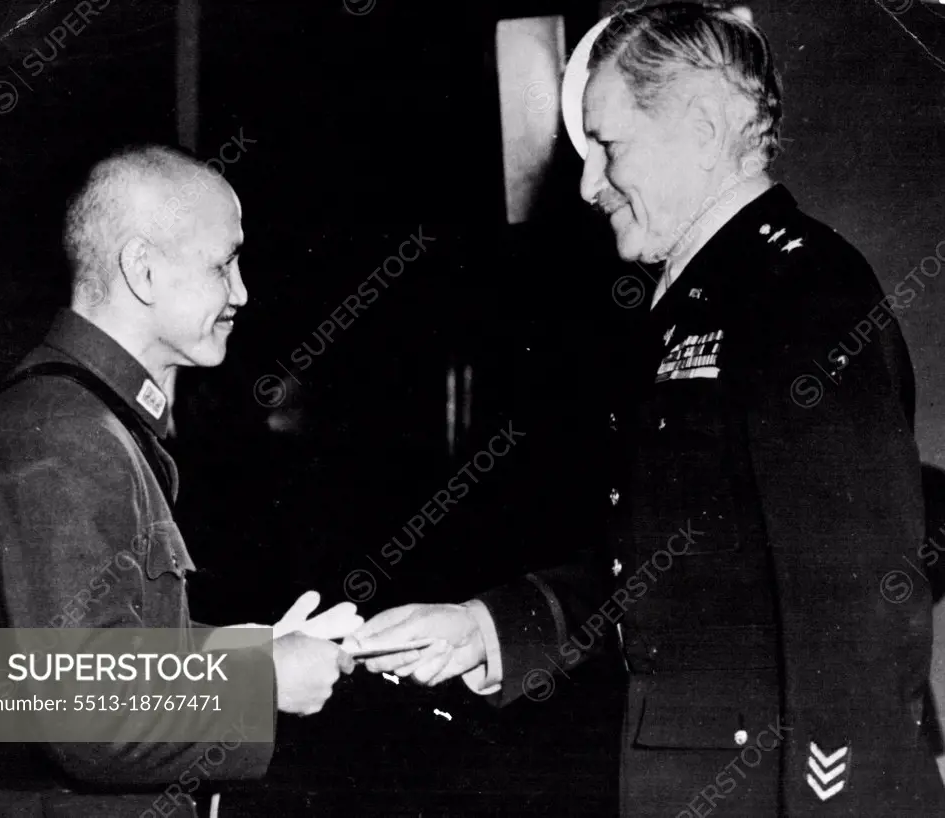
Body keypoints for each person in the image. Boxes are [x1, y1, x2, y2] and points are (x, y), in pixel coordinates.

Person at [345, 4, 945, 815]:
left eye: (607, 146)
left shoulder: (800, 294)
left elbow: (856, 602)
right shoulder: (696, 305)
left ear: (699, 128)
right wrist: (487, 627)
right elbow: (672, 569)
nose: (589, 184)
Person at [0, 146, 355, 817]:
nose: (241, 292)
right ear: (143, 269)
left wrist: (244, 647)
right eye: (224, 264)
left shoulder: (89, 418)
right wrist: (263, 677)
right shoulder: (62, 429)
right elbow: (82, 708)